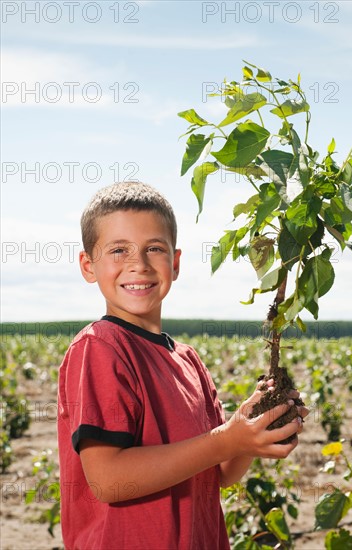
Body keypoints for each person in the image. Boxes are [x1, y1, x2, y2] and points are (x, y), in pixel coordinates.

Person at [57, 181, 307, 550]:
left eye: (153, 249)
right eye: (118, 250)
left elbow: (218, 473)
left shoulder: (188, 360)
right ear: (88, 266)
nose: (138, 264)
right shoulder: (100, 347)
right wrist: (227, 438)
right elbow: (108, 479)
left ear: (174, 263)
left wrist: (249, 433)